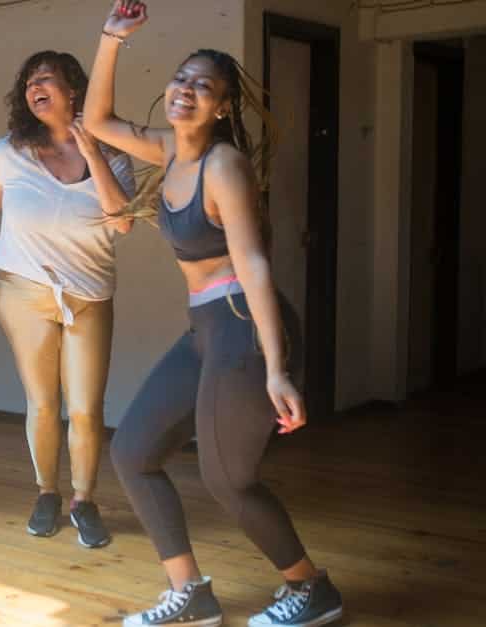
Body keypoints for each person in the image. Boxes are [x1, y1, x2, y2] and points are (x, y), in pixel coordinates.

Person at [82, 2, 343, 625]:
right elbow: (94, 120)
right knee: (134, 453)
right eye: (181, 78)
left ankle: (311, 588)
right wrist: (111, 39)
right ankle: (191, 593)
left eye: (204, 85)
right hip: (204, 329)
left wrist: (277, 369)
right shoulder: (169, 150)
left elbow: (252, 264)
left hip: (243, 326)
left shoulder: (223, 165)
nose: (185, 90)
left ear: (223, 106)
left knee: (228, 478)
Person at [0, 51, 135, 548]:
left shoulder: (115, 156)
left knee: (86, 408)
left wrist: (93, 150)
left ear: (74, 93)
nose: (33, 88)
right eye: (28, 83)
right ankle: (46, 492)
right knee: (43, 403)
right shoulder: (9, 151)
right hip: (24, 293)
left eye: (45, 80)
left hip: (89, 294)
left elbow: (122, 219)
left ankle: (84, 501)